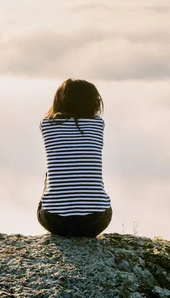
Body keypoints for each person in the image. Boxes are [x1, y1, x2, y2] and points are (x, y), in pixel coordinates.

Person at [37, 78, 112, 237]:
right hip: (96, 222)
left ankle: (57, 202)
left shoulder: (46, 124)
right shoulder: (98, 124)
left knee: (49, 175)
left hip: (56, 222)